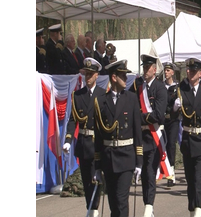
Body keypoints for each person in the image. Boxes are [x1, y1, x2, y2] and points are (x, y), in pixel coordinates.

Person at [93, 59, 143, 217]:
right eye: (123, 76)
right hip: (108, 157)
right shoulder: (101, 101)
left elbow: (137, 132)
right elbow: (99, 136)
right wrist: (97, 165)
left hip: (126, 156)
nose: (126, 79)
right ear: (113, 77)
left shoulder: (131, 99)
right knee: (113, 202)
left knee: (122, 201)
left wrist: (139, 162)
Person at [172, 58, 201, 217]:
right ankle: (192, 210)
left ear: (200, 74)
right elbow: (171, 115)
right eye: (188, 70)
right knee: (190, 181)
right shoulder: (181, 91)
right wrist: (174, 107)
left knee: (198, 180)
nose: (190, 73)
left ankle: (198, 212)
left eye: (193, 71)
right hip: (187, 141)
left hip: (200, 141)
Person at [63, 58, 105, 217]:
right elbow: (73, 120)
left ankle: (94, 208)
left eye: (90, 74)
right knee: (87, 180)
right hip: (83, 143)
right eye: (86, 74)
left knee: (96, 178)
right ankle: (91, 207)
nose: (87, 77)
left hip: (97, 144)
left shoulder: (102, 94)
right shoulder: (78, 95)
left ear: (96, 75)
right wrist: (68, 140)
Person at [128, 54, 168, 217]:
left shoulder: (160, 88)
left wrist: (139, 117)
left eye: (147, 67)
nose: (145, 70)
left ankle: (149, 207)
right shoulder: (137, 85)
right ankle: (148, 205)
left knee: (150, 172)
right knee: (143, 172)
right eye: (143, 67)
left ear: (154, 69)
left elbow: (158, 115)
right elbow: (129, 103)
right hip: (139, 136)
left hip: (153, 136)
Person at [162, 62, 180, 187]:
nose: (166, 72)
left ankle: (171, 173)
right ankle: (164, 169)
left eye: (168, 70)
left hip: (173, 119)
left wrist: (177, 105)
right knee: (163, 145)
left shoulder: (177, 87)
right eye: (165, 70)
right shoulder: (161, 86)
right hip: (162, 119)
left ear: (173, 72)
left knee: (171, 145)